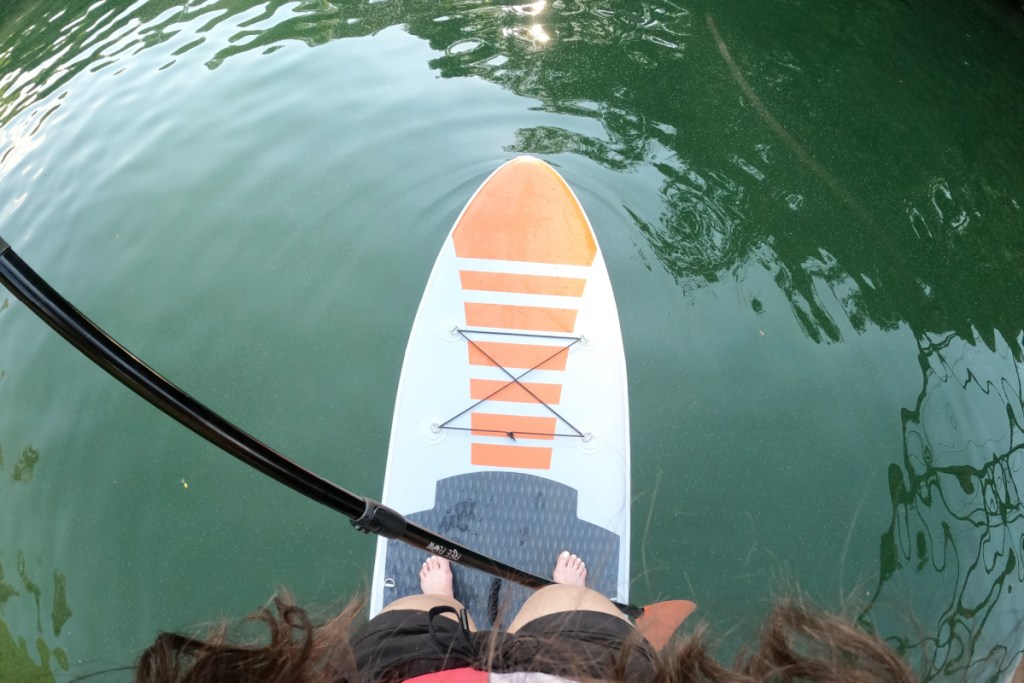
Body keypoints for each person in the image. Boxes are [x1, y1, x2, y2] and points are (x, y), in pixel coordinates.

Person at [134, 551, 919, 682]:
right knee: (560, 600)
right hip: (574, 666)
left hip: (406, 671)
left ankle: (442, 597)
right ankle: (465, 598)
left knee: (426, 604)